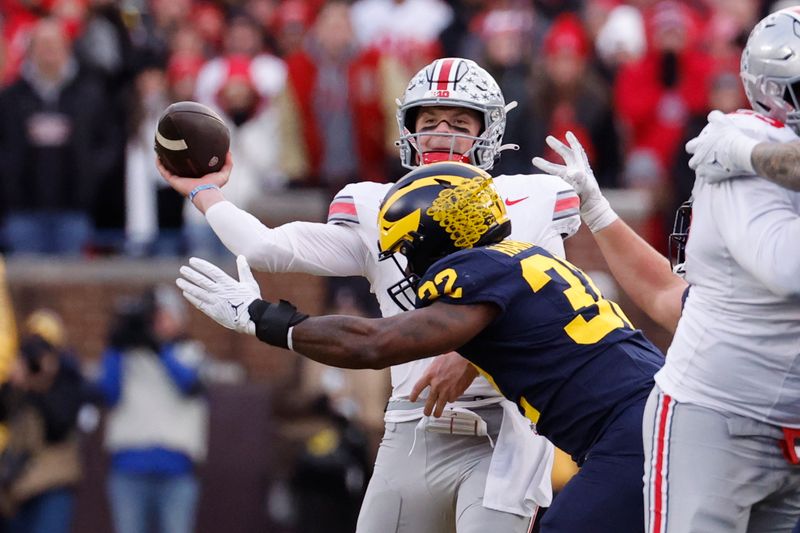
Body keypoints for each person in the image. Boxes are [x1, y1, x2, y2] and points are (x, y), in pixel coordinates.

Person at [159, 57, 581, 532]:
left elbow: (548, 304)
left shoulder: (530, 200)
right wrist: (205, 192)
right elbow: (266, 247)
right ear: (407, 131)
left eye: (460, 122)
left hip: (505, 424)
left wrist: (472, 356)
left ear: (490, 132)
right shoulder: (375, 207)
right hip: (412, 424)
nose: (442, 133)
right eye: (429, 121)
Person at [175, 162, 666, 533]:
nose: (407, 262)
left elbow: (373, 343)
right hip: (655, 413)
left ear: (432, 234)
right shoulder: (527, 258)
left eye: (407, 247)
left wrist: (261, 318)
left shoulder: (481, 274)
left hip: (628, 433)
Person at [529, 9, 800, 531]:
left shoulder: (739, 148)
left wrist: (745, 154)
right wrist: (600, 213)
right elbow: (691, 294)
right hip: (719, 419)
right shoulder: (741, 139)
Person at [96, 285, 209, 533]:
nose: (157, 324)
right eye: (153, 319)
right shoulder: (124, 354)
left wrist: (158, 350)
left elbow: (189, 385)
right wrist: (117, 344)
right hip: (128, 467)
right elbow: (109, 394)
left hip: (176, 470)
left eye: (164, 317)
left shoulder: (191, 352)